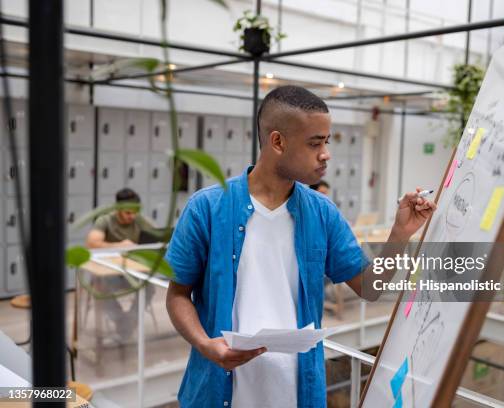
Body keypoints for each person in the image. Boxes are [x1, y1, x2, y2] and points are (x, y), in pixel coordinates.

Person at [165, 85, 436, 407]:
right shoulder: (207, 208)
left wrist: (399, 236)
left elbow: (369, 287)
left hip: (297, 394)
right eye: (314, 143)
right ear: (277, 141)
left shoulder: (322, 213)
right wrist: (206, 345)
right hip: (217, 392)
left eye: (326, 141)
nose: (326, 153)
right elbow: (178, 295)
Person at [86, 188, 156, 337]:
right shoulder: (105, 220)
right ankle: (122, 321)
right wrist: (119, 245)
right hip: (109, 273)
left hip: (132, 272)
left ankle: (130, 320)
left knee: (149, 287)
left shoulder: (139, 220)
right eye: (128, 213)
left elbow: (157, 236)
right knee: (101, 288)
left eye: (135, 212)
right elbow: (92, 242)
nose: (132, 216)